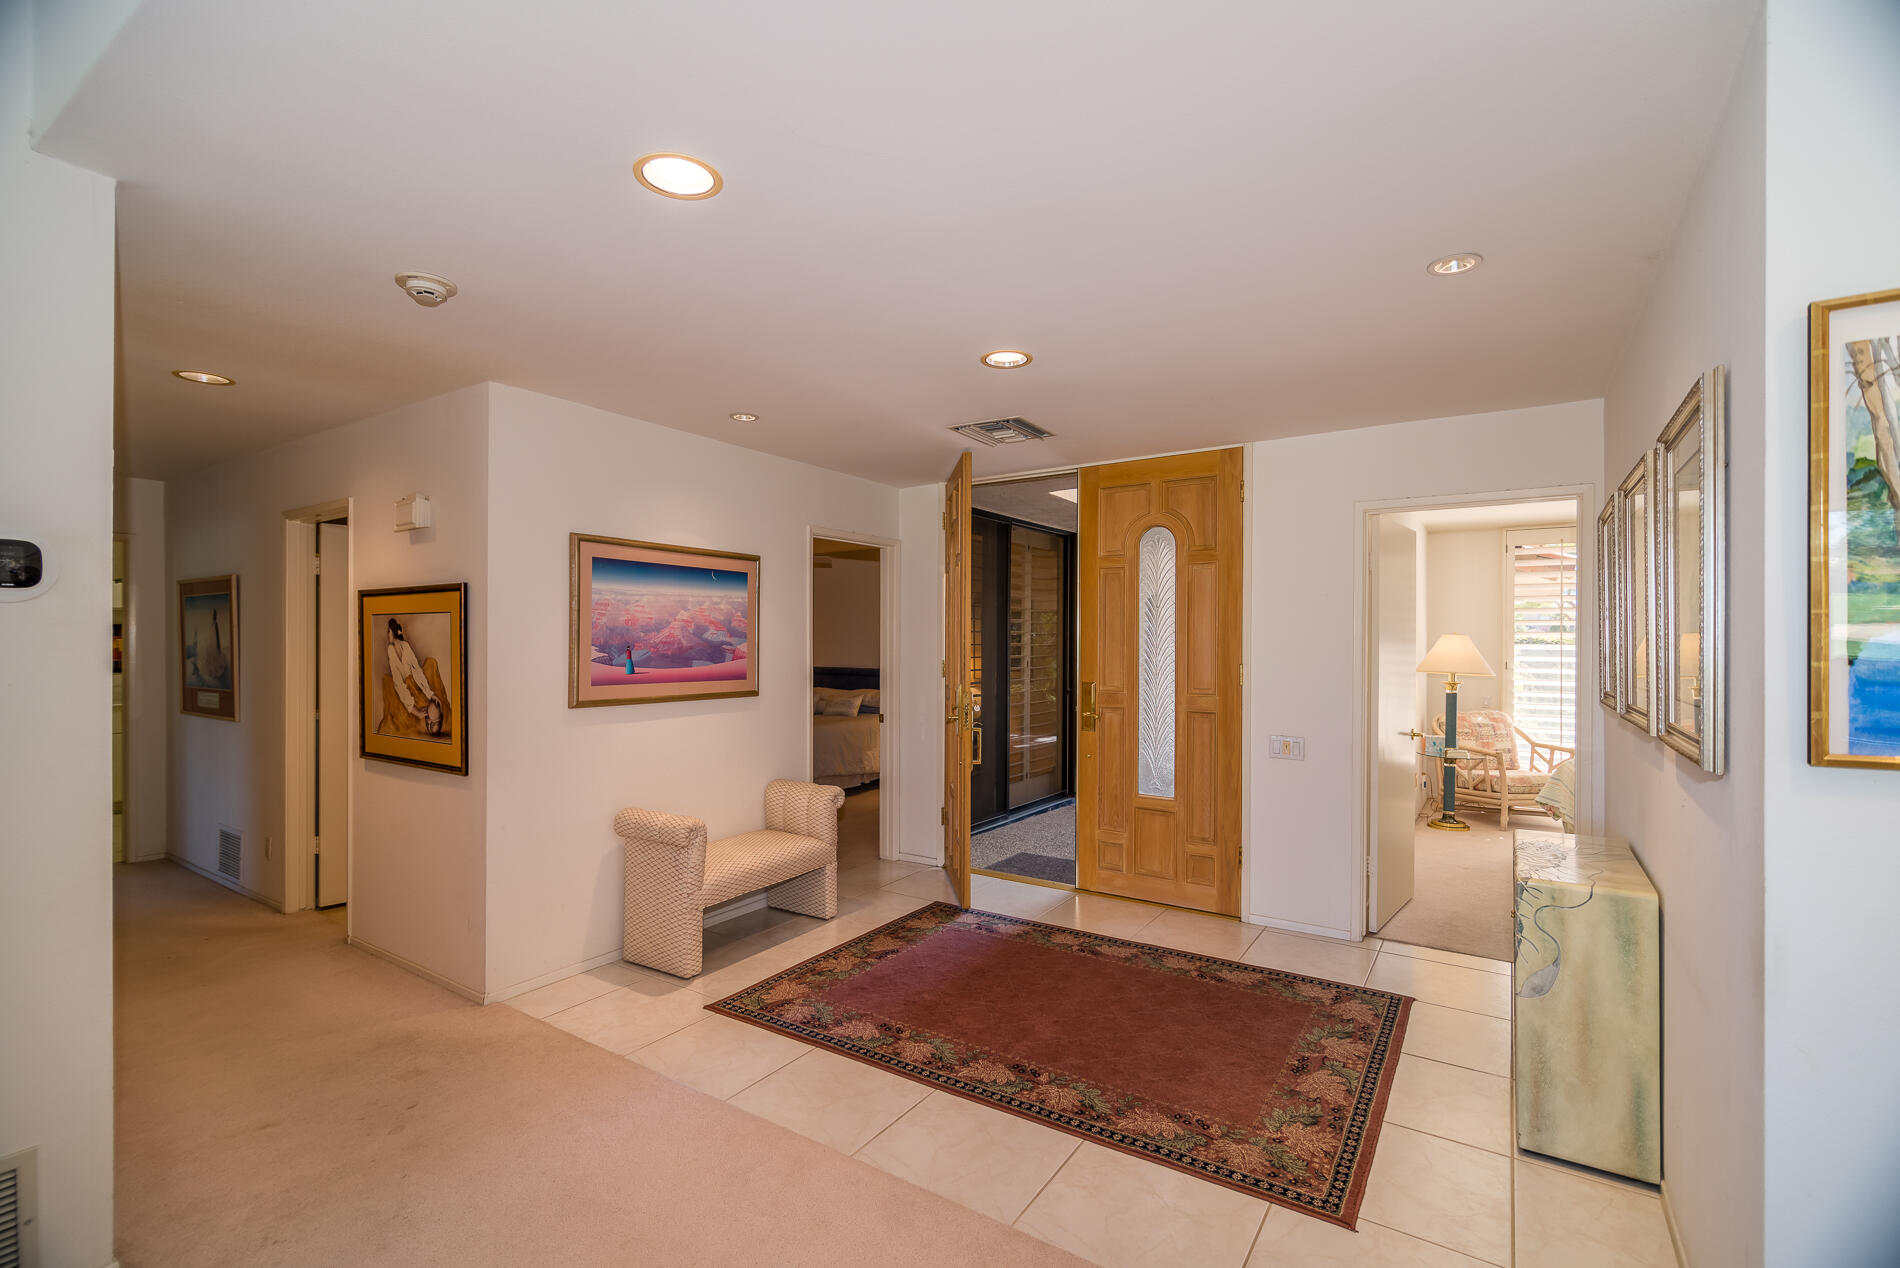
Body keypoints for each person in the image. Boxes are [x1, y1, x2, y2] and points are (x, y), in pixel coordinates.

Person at [386, 617, 443, 734]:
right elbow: (397, 682)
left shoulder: (406, 646)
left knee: (431, 663)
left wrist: (429, 693)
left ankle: (434, 720)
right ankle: (428, 719)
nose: (388, 634)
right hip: (404, 690)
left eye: (389, 632)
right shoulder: (390, 650)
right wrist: (413, 710)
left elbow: (417, 670)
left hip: (415, 684)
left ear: (392, 632)